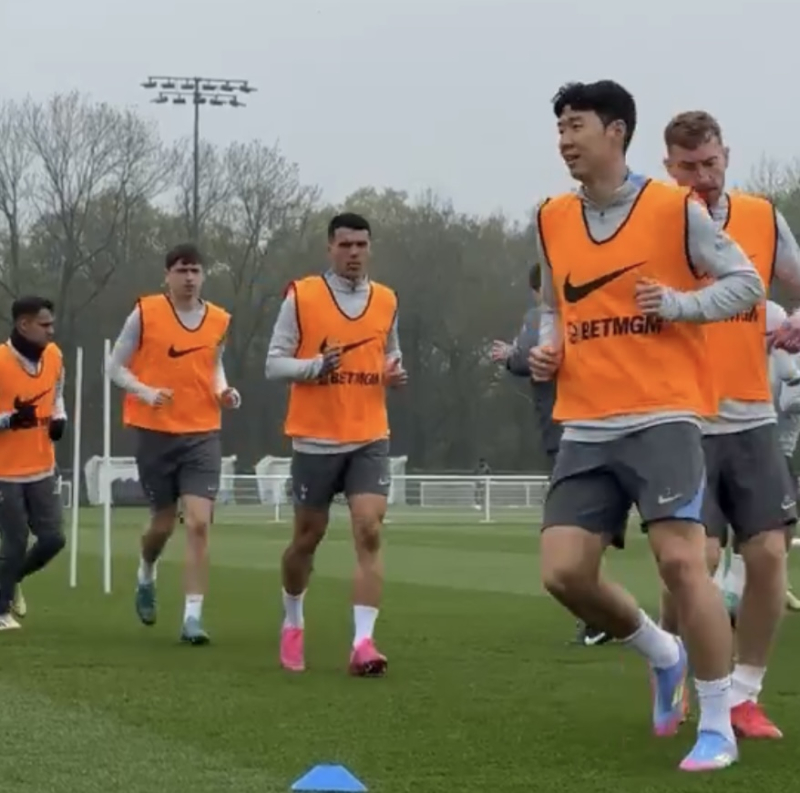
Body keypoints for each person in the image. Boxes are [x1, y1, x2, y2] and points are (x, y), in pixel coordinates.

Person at [530, 80, 764, 772]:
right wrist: (549, 344)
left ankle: (716, 725)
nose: (565, 141)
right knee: (563, 572)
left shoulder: (673, 208)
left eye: (576, 126)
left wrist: (681, 305)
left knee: (682, 563)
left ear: (617, 131)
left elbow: (747, 282)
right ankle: (664, 653)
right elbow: (553, 305)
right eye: (559, 129)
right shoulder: (550, 217)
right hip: (585, 422)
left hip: (663, 414)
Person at [660, 111, 800, 740]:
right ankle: (674, 665)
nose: (703, 176)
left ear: (727, 157)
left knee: (768, 554)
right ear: (668, 167)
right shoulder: (655, 221)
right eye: (688, 166)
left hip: (751, 416)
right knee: (697, 559)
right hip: (679, 417)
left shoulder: (762, 217)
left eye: (711, 162)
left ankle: (745, 694)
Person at [266, 212, 407, 676]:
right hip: (315, 438)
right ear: (330, 248)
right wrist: (313, 367)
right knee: (307, 539)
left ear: (370, 247)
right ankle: (293, 620)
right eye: (345, 245)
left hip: (369, 435)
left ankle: (363, 643)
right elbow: (274, 363)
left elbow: (391, 353)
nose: (354, 253)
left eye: (361, 245)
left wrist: (393, 372)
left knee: (369, 529)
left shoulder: (386, 299)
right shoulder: (302, 296)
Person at [106, 243, 240, 645]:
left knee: (199, 523)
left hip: (202, 432)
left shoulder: (219, 319)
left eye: (195, 270)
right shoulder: (146, 312)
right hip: (155, 432)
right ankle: (146, 572)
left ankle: (192, 618)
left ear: (204, 275)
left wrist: (224, 391)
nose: (189, 278)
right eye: (181, 270)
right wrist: (145, 392)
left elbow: (213, 365)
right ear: (167, 275)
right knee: (162, 524)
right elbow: (114, 366)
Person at [491, 266, 610, 647]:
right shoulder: (589, 309)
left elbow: (530, 356)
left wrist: (511, 356)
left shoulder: (540, 316)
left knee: (576, 526)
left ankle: (599, 616)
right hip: (595, 422)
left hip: (571, 429)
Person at [715, 301, 800, 619]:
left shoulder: (772, 315)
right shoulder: (770, 315)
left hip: (762, 435)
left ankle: (745, 588)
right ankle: (731, 592)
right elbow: (790, 392)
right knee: (757, 524)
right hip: (758, 436)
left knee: (769, 526)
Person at [0, 296, 67, 630]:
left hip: (41, 466)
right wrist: (9, 420)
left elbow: (57, 395)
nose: (51, 331)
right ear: (23, 325)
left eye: (51, 324)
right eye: (44, 325)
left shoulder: (54, 356)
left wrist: (59, 418)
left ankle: (8, 580)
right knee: (14, 543)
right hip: (5, 471)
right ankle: (1, 611)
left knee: (53, 539)